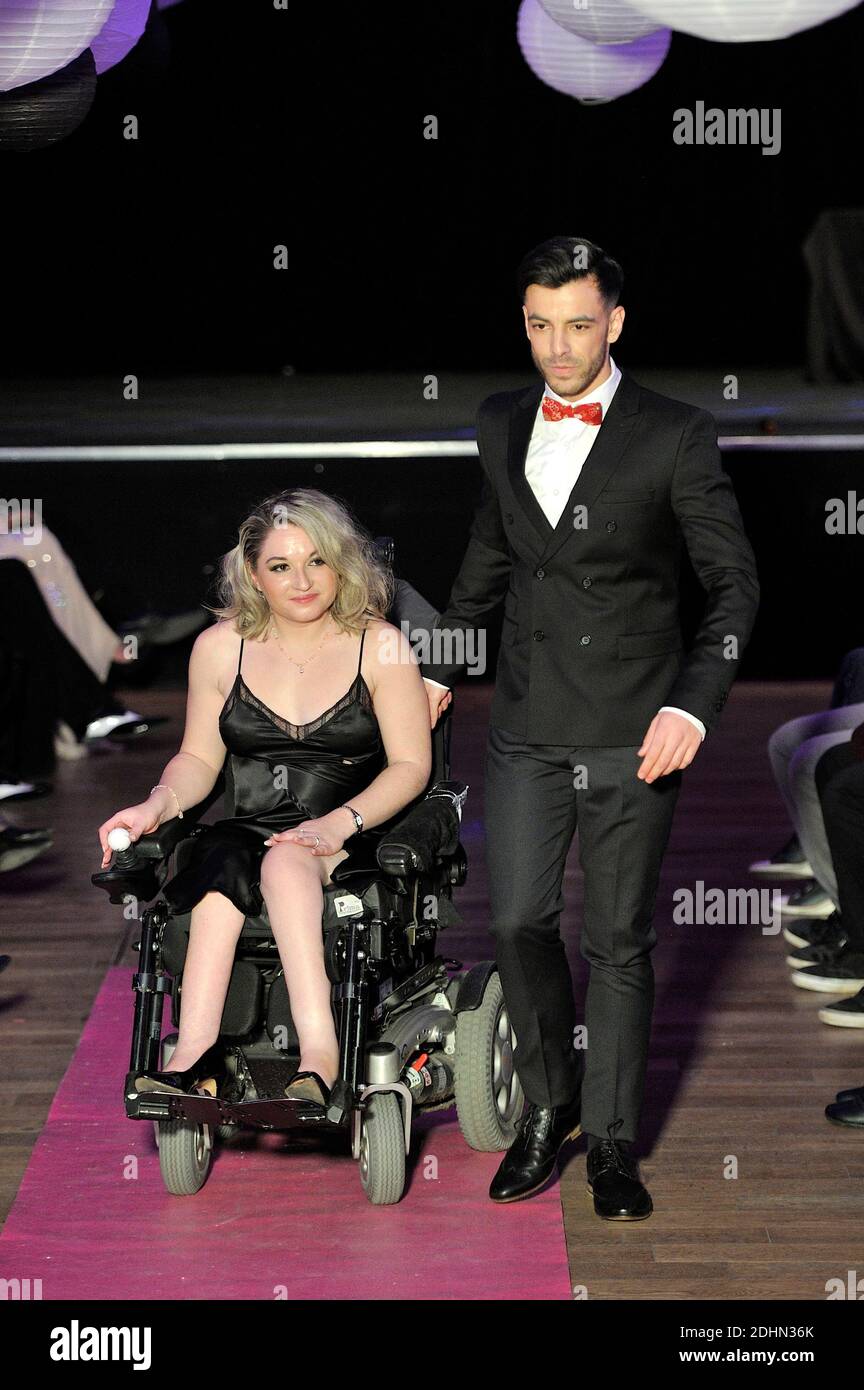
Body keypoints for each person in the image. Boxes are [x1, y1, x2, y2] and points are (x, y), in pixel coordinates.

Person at [420, 235, 760, 1218]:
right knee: (520, 919)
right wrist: (443, 665)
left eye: (578, 325)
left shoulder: (676, 434)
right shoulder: (498, 422)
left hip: (632, 726)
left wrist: (693, 702)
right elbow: (492, 550)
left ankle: (612, 1142)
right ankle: (547, 1104)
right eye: (539, 325)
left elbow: (735, 586)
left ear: (615, 322)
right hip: (527, 717)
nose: (558, 348)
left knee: (618, 939)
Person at [97, 489, 432, 1108]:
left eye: (317, 562)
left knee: (285, 860)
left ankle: (320, 1055)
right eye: (281, 566)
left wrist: (340, 823)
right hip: (253, 825)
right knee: (218, 862)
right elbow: (198, 760)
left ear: (343, 564)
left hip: (352, 826)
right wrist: (156, 805)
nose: (301, 581)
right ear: (254, 574)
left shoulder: (379, 644)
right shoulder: (221, 647)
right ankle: (195, 1055)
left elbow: (412, 766)